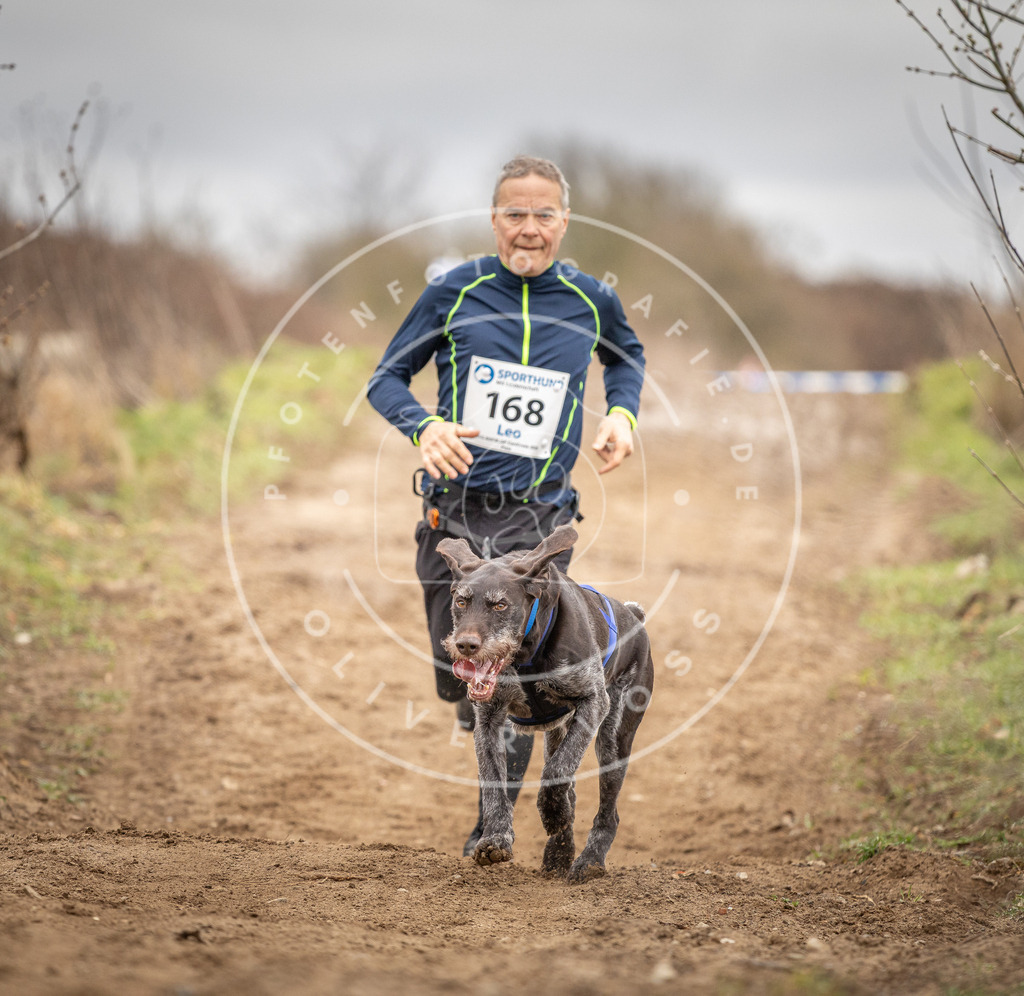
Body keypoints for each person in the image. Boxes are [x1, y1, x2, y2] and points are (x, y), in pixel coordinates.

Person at [367, 154, 645, 854]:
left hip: (540, 521)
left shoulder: (589, 300)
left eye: (543, 214)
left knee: (515, 667)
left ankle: (493, 825)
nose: (529, 228)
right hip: (454, 516)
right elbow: (386, 378)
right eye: (515, 214)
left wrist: (622, 415)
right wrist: (423, 427)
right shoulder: (454, 293)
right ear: (495, 221)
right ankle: (482, 725)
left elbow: (627, 356)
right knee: (462, 677)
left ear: (564, 222)